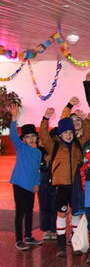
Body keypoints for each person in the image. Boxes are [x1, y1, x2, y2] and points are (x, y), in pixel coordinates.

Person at [39, 108, 90, 257]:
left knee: (75, 214)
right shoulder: (54, 145)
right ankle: (61, 246)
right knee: (61, 214)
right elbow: (43, 136)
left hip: (75, 186)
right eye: (65, 132)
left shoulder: (78, 144)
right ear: (60, 134)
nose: (68, 135)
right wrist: (45, 119)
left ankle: (75, 244)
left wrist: (85, 120)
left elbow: (88, 134)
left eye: (70, 132)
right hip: (60, 186)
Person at [9, 104, 42, 251]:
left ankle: (28, 236)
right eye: (27, 137)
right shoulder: (21, 148)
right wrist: (14, 117)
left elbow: (37, 170)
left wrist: (37, 183)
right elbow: (12, 135)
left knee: (29, 211)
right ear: (23, 139)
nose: (31, 139)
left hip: (30, 186)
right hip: (19, 184)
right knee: (20, 212)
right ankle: (18, 240)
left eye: (33, 136)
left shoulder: (38, 153)